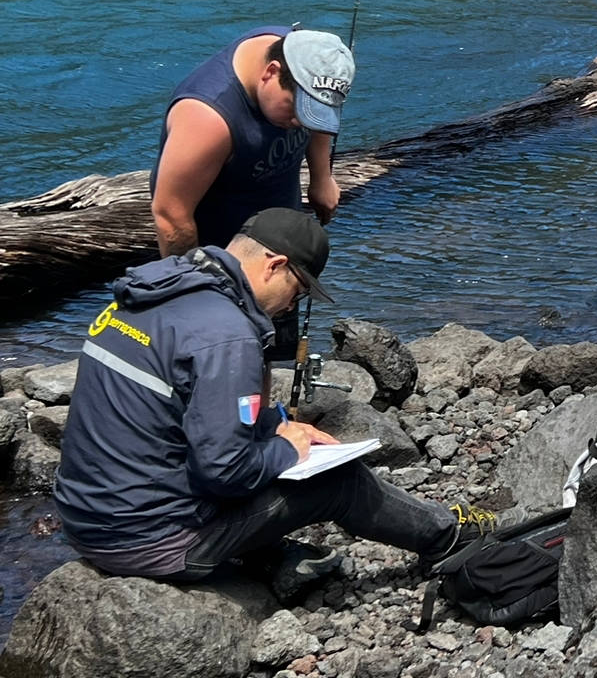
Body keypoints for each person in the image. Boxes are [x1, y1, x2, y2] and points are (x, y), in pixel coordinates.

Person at [53, 208, 522, 590]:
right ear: (275, 264)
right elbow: (223, 472)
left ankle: (268, 556)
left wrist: (274, 423)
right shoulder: (226, 334)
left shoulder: (147, 292)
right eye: (296, 292)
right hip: (151, 541)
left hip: (85, 518)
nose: (290, 308)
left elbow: (179, 413)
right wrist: (288, 448)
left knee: (273, 447)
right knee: (339, 482)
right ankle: (450, 537)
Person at [151, 27, 355, 257]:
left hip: (281, 234)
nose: (301, 123)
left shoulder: (304, 53)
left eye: (312, 114)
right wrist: (191, 284)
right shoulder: (207, 120)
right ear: (271, 72)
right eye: (296, 108)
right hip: (224, 255)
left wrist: (322, 178)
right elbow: (171, 216)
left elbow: (321, 107)